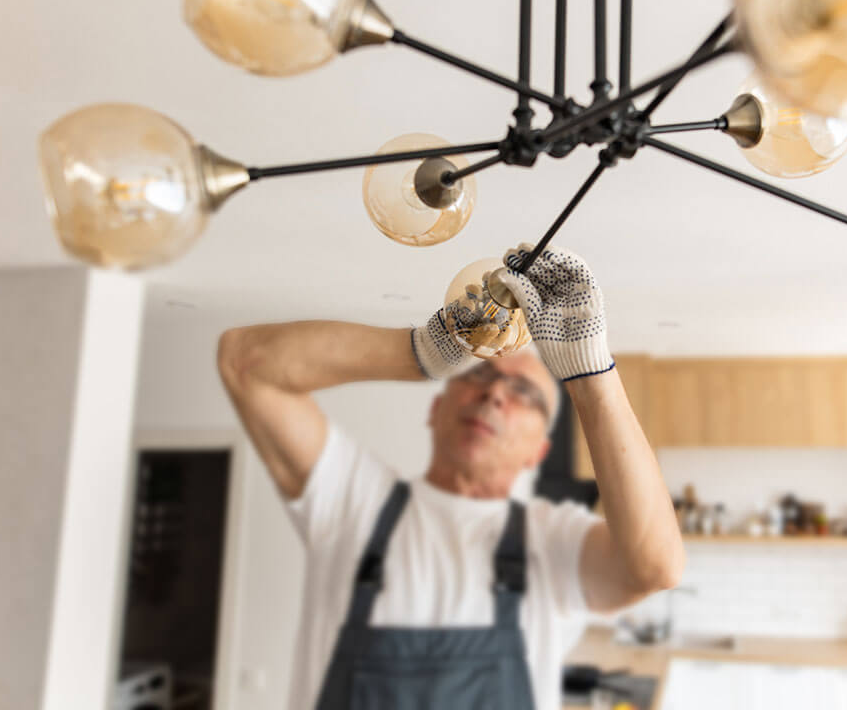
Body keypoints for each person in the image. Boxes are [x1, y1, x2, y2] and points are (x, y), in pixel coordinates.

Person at [216, 244, 684, 710]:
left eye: (523, 393)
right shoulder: (355, 500)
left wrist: (589, 373)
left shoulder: (549, 539)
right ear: (437, 407)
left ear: (538, 451)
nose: (495, 394)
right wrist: (427, 348)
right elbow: (247, 364)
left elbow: (656, 566)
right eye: (478, 377)